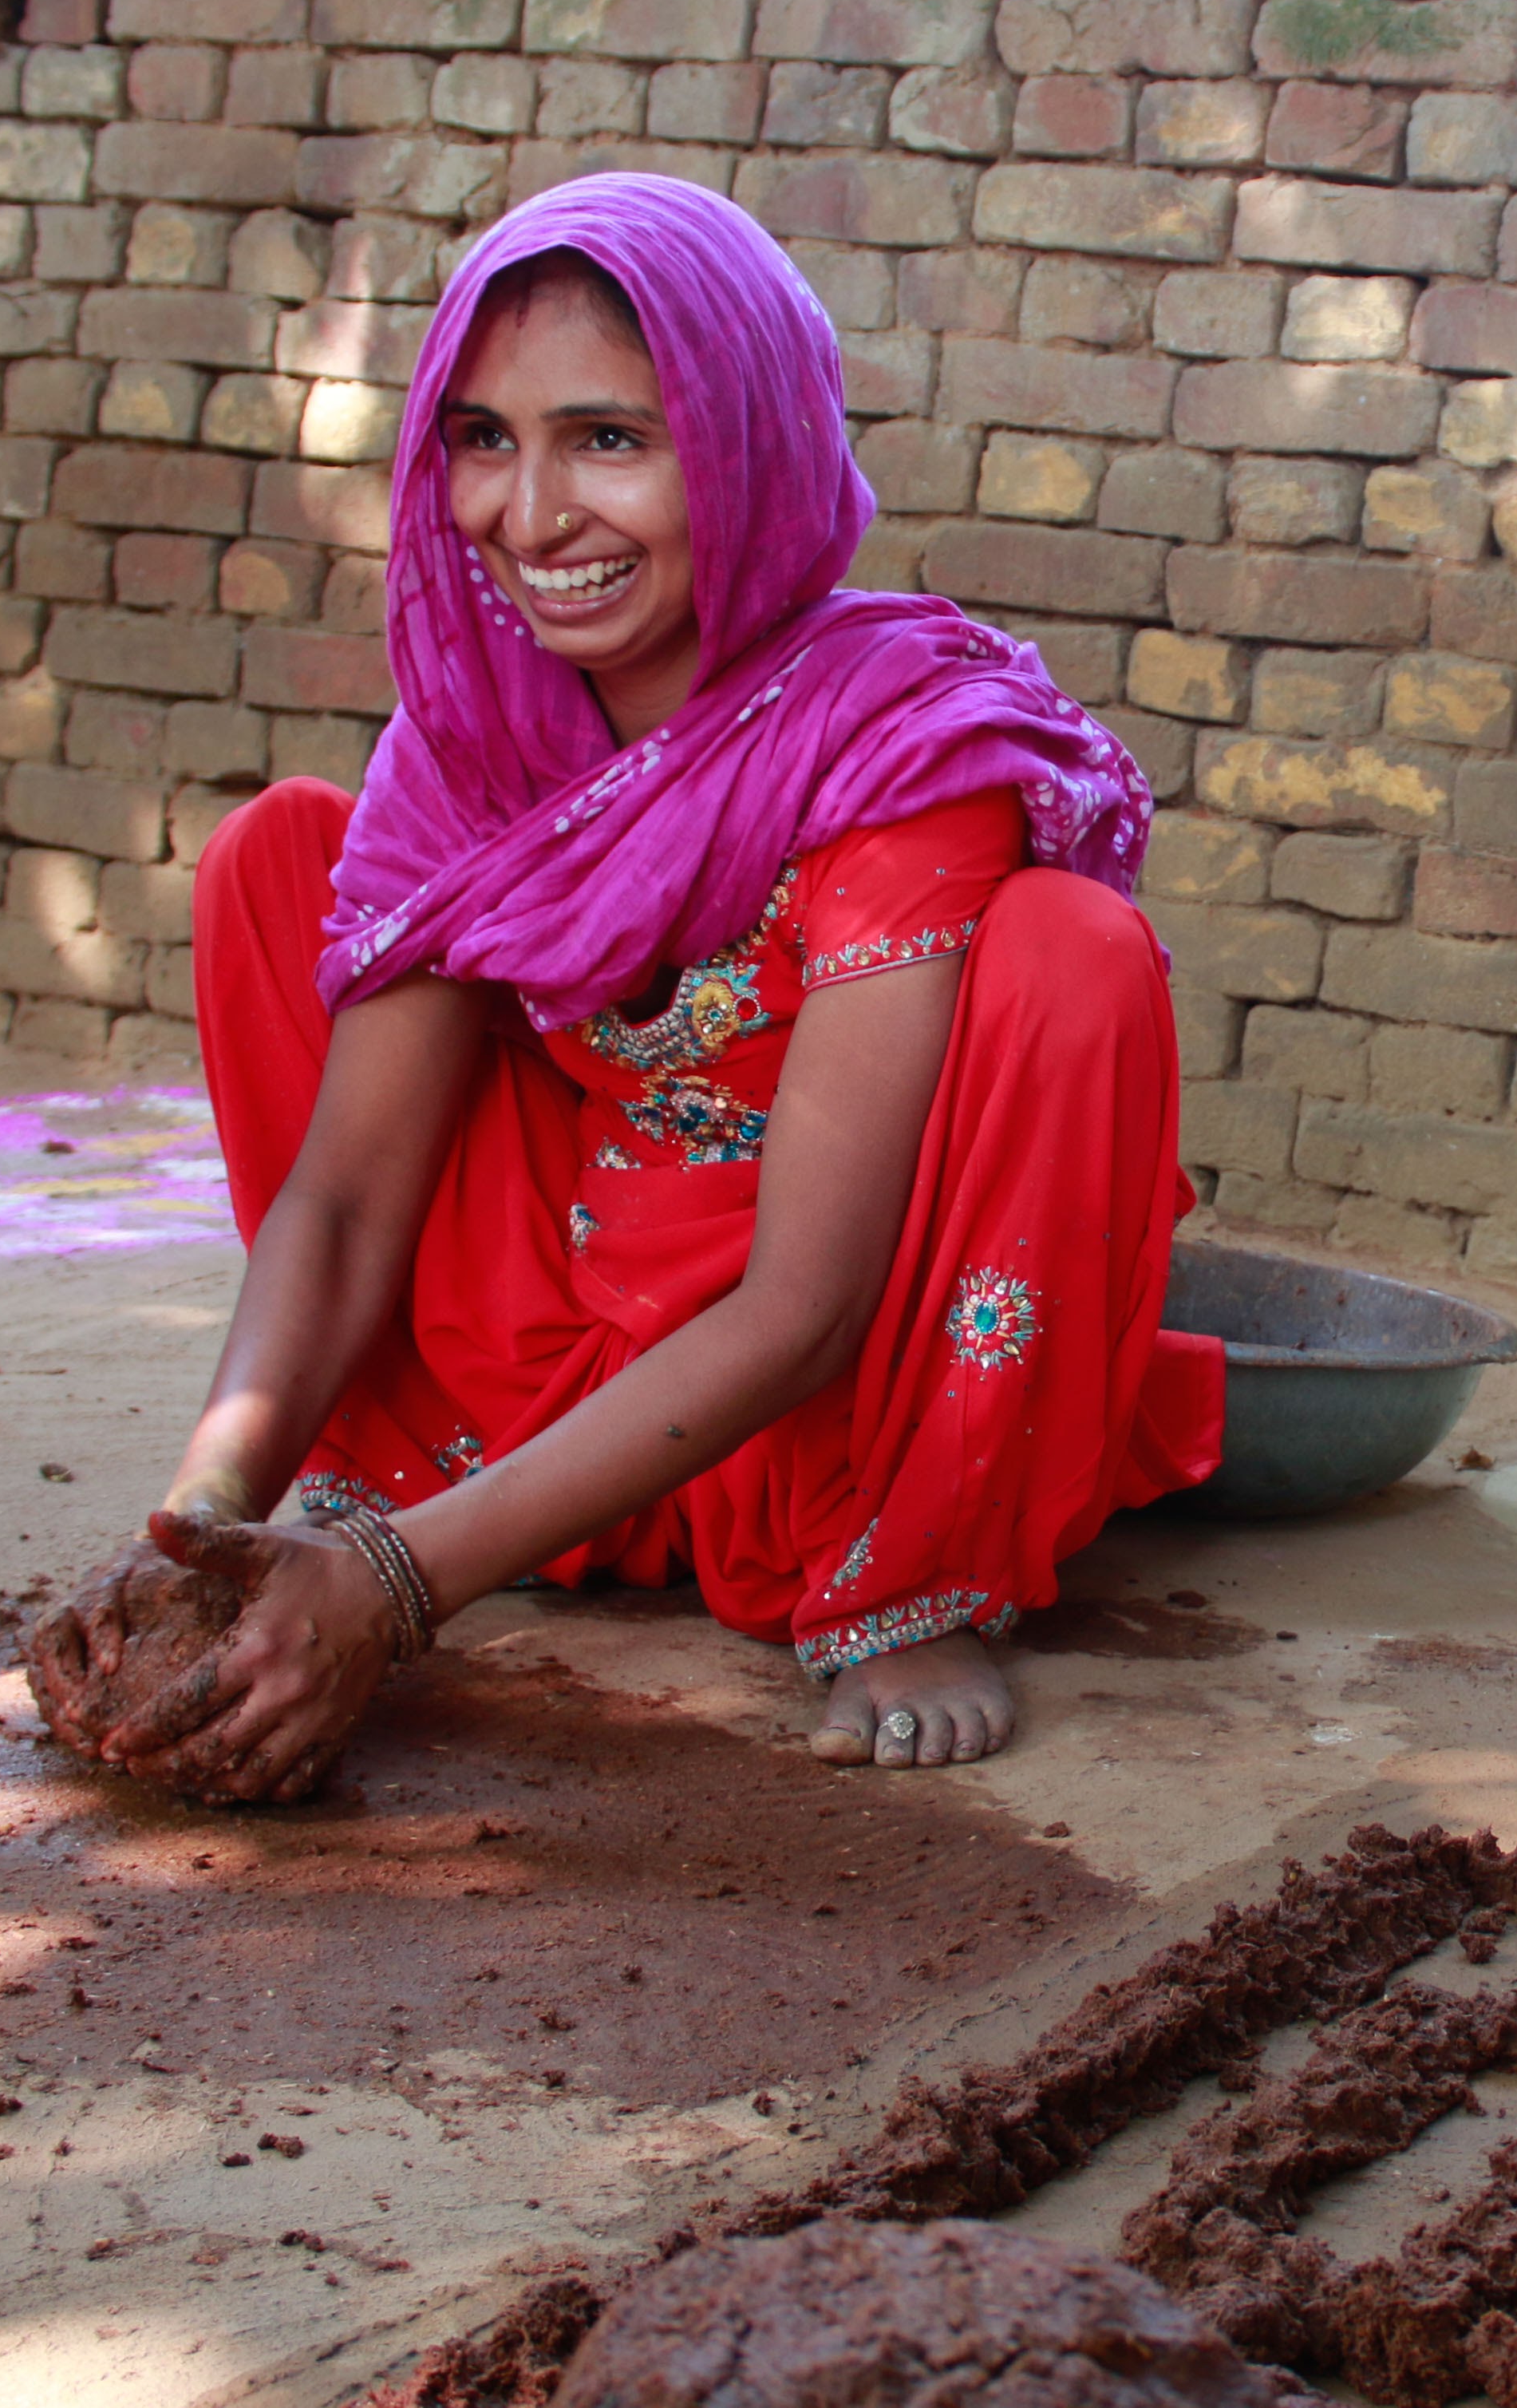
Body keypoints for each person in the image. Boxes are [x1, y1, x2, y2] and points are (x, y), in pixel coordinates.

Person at [69, 173, 1223, 1802]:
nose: (528, 517)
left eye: (607, 439)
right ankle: (421, 1490)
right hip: (559, 1336)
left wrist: (398, 1587)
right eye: (481, 439)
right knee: (278, 854)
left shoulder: (894, 742)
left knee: (1072, 957)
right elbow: (339, 1198)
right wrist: (210, 1509)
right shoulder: (472, 735)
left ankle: (901, 1566)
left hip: (834, 1385)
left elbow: (807, 1305)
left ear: (742, 444)